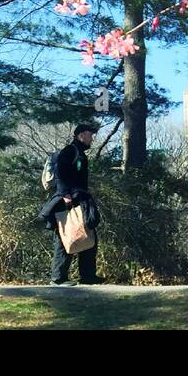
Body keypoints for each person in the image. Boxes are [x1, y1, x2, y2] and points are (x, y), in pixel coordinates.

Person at [41, 123, 105, 286]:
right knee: (66, 236)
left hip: (81, 200)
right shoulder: (69, 151)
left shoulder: (80, 154)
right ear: (81, 135)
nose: (92, 138)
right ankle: (58, 278)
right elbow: (61, 173)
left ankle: (88, 276)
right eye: (90, 134)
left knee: (88, 235)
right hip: (68, 201)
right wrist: (66, 194)